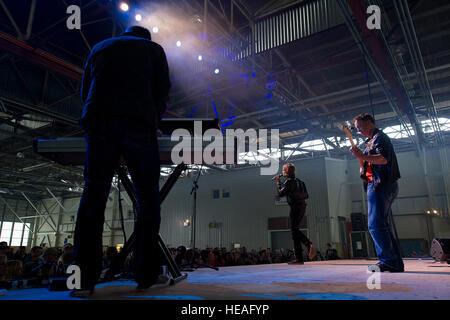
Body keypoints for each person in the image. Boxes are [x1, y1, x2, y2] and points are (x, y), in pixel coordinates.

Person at [73, 25, 171, 296]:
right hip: (138, 122)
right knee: (147, 198)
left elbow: (85, 91)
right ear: (145, 37)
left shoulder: (99, 47)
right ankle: (146, 275)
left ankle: (82, 280)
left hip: (99, 121)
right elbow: (162, 91)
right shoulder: (153, 49)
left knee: (93, 195)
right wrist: (154, 121)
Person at [350, 113, 403, 272]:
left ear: (370, 123)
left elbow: (383, 158)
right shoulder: (371, 141)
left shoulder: (379, 137)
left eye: (360, 126)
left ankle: (388, 261)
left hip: (381, 185)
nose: (358, 130)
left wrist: (362, 155)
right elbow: (371, 162)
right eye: (357, 128)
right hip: (380, 184)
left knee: (375, 225)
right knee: (382, 225)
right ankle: (394, 262)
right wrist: (363, 162)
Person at [274, 163, 316, 264]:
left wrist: (278, 182)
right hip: (302, 207)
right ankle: (300, 258)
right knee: (295, 231)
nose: (282, 172)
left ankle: (308, 244)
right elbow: (306, 195)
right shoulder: (300, 182)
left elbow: (280, 193)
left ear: (287, 172)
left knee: (294, 231)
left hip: (295, 208)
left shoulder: (288, 182)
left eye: (283, 171)